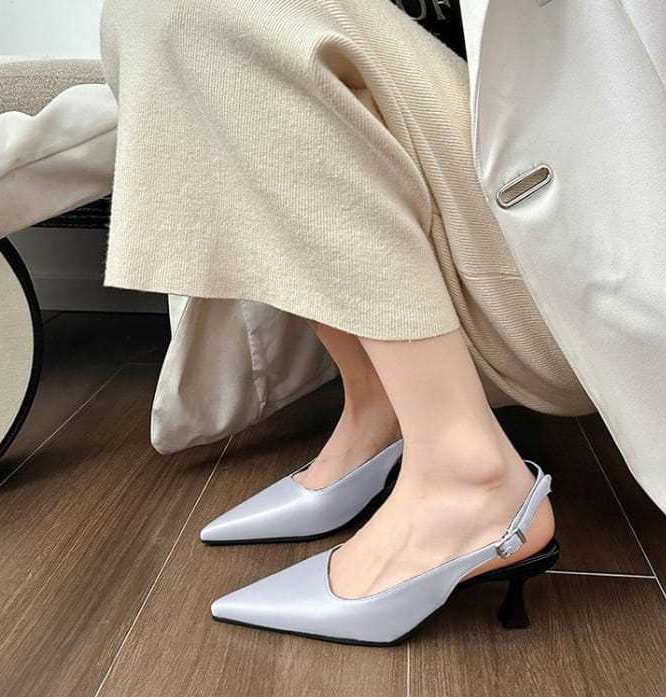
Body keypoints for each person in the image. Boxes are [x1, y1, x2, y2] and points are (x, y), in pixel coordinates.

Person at [98, 0, 594, 645]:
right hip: (474, 198)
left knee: (203, 11)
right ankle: (379, 403)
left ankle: (466, 473)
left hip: (566, 228)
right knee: (151, 15)